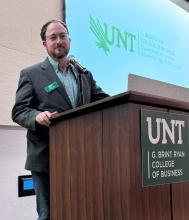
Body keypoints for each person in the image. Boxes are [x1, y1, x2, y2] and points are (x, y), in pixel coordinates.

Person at [12, 20, 109, 220]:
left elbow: (106, 101)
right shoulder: (31, 74)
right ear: (44, 43)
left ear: (69, 40)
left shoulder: (83, 74)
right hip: (45, 157)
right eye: (53, 37)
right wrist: (36, 116)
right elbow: (19, 111)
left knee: (77, 210)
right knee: (48, 215)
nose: (58, 41)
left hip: (79, 157)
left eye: (62, 36)